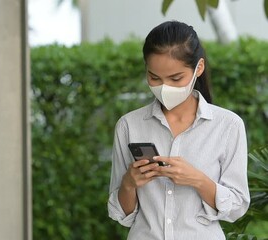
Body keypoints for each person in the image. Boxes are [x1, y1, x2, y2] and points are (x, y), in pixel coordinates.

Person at [107, 20, 250, 239]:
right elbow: (120, 214)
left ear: (198, 68)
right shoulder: (129, 125)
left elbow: (237, 207)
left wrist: (197, 179)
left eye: (176, 78)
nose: (164, 87)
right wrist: (129, 183)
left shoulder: (228, 125)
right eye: (154, 77)